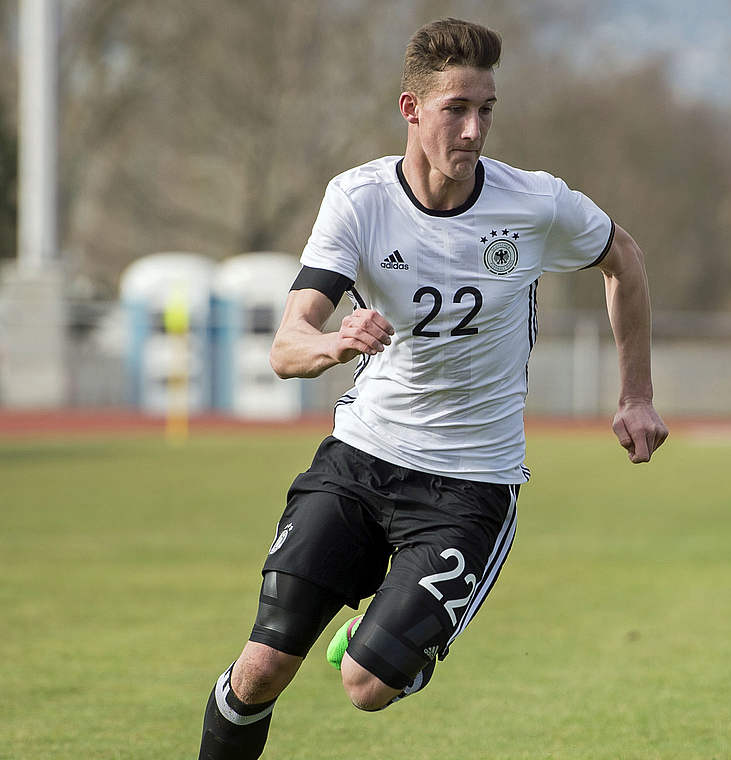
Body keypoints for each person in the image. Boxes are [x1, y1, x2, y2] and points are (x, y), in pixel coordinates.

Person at [198, 17, 667, 759]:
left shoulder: (534, 203)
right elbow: (288, 345)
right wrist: (329, 343)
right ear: (412, 110)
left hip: (469, 484)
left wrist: (635, 394)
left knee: (365, 684)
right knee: (259, 670)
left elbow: (626, 260)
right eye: (457, 109)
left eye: (486, 110)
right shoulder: (358, 200)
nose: (475, 129)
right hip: (359, 460)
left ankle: (388, 642)